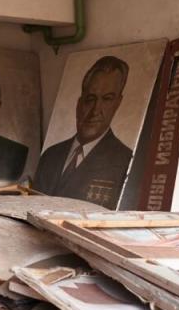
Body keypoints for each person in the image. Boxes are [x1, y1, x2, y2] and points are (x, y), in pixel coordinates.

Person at [34, 56, 132, 209]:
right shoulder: (50, 156)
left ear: (117, 104)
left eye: (107, 99)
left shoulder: (125, 161)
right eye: (90, 99)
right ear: (79, 104)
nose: (95, 111)